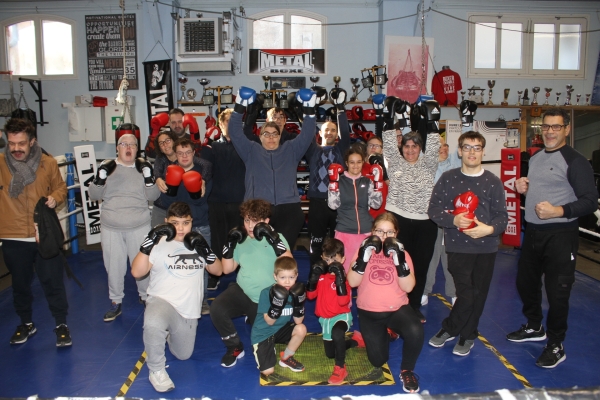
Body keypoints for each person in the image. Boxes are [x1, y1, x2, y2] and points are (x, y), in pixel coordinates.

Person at [506, 108, 597, 368]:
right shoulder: (535, 157)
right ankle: (535, 326)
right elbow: (543, 190)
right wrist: (523, 189)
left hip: (560, 235)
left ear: (566, 129)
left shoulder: (575, 160)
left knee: (557, 293)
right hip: (533, 233)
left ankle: (556, 344)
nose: (549, 131)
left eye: (556, 127)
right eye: (546, 126)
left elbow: (590, 201)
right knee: (526, 284)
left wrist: (559, 211)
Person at [427, 131, 508, 357]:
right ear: (460, 151)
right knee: (467, 293)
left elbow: (502, 216)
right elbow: (433, 210)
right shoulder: (448, 178)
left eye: (477, 147)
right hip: (457, 247)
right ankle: (452, 328)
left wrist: (489, 229)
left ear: (482, 151)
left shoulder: (493, 181)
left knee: (479, 294)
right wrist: (452, 220)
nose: (472, 152)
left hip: (486, 248)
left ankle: (466, 334)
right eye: (467, 147)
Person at [131, 201, 223, 392]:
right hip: (161, 301)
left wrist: (205, 250)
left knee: (183, 355)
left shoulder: (196, 242)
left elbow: (218, 270)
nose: (180, 228)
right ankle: (156, 370)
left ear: (191, 222)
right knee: (153, 322)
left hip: (188, 311)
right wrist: (149, 241)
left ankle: (165, 333)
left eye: (185, 222)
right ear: (166, 222)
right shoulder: (158, 242)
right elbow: (137, 273)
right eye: (175, 223)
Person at [1, 118, 71, 347]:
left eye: (21, 143)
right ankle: (26, 323)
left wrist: (55, 197)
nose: (16, 149)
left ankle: (61, 324)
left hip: (43, 234)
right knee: (20, 284)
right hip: (13, 235)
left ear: (32, 141)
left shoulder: (47, 163)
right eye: (11, 143)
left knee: (53, 282)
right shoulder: (1, 163)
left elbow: (60, 187)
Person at [229, 87, 316, 248]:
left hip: (288, 209)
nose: (271, 137)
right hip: (258, 208)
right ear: (259, 137)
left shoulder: (291, 149)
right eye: (266, 134)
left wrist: (310, 108)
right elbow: (234, 132)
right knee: (258, 251)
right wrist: (239, 106)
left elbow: (307, 133)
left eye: (274, 134)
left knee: (281, 251)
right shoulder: (251, 151)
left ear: (280, 136)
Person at [210, 199, 293, 367]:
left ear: (266, 222)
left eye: (255, 221)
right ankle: (235, 347)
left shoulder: (277, 238)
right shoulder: (241, 240)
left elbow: (288, 265)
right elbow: (227, 269)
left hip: (266, 299)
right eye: (247, 220)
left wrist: (273, 239)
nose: (249, 225)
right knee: (217, 309)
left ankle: (255, 319)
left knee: (279, 336)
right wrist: (229, 244)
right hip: (243, 292)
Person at [346, 212, 424, 393]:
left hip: (396, 309)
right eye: (379, 231)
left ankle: (407, 370)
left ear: (396, 234)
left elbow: (409, 287)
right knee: (377, 361)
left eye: (389, 232)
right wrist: (363, 259)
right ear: (372, 232)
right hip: (370, 312)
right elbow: (352, 282)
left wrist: (399, 261)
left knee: (415, 329)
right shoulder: (362, 250)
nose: (384, 236)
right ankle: (388, 333)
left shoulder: (403, 253)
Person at [89, 133, 160, 321]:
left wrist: (148, 177)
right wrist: (100, 177)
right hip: (111, 226)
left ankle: (146, 296)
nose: (128, 148)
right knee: (114, 265)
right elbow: (93, 194)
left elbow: (153, 196)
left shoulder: (143, 168)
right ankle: (115, 301)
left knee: (143, 263)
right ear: (117, 148)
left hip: (139, 225)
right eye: (124, 144)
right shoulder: (108, 167)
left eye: (132, 145)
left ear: (137, 149)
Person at [382, 100, 441, 323]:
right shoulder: (395, 163)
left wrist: (433, 121)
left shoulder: (428, 164)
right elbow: (388, 143)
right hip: (399, 220)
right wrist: (388, 116)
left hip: (426, 223)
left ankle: (414, 306)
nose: (410, 150)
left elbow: (434, 145)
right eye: (406, 146)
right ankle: (394, 303)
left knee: (421, 265)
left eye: (414, 146)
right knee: (396, 263)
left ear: (419, 149)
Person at [159, 137, 213, 314]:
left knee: (202, 263)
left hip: (199, 225)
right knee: (176, 263)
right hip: (176, 228)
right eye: (180, 153)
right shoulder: (170, 172)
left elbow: (202, 200)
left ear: (193, 153)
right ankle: (177, 297)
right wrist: (171, 186)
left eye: (187, 152)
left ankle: (202, 299)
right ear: (175, 154)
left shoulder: (203, 174)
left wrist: (193, 187)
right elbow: (167, 200)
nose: (184, 156)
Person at [306, 238, 365, 384]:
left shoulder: (345, 278)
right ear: (322, 258)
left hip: (341, 316)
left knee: (337, 333)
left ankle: (341, 368)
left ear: (343, 259)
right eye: (327, 259)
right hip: (325, 319)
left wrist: (339, 279)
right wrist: (313, 279)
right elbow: (310, 296)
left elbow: (343, 302)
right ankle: (354, 342)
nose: (331, 263)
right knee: (330, 353)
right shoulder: (320, 275)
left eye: (335, 259)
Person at [304, 88, 351, 265]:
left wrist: (340, 107)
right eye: (326, 130)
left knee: (337, 242)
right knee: (316, 242)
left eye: (333, 130)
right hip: (317, 203)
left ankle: (336, 272)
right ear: (320, 133)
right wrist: (312, 108)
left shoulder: (341, 150)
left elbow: (345, 132)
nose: (330, 132)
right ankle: (315, 274)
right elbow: (307, 134)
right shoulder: (313, 151)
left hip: (338, 202)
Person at [201, 108, 246, 291]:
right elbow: (204, 164)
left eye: (233, 122)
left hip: (239, 200)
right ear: (220, 125)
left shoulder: (245, 146)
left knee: (240, 239)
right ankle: (214, 274)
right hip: (217, 200)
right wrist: (206, 141)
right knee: (217, 240)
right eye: (226, 122)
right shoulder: (213, 147)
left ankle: (243, 274)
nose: (230, 125)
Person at [328, 144, 383, 272]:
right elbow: (333, 205)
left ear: (363, 162)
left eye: (358, 162)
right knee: (344, 270)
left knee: (365, 270)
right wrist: (333, 184)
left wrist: (377, 183)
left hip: (365, 231)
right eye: (352, 162)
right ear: (346, 163)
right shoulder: (339, 180)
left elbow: (376, 204)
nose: (355, 165)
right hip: (344, 231)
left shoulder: (367, 181)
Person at [251, 257, 307, 377]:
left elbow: (298, 321)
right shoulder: (266, 293)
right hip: (263, 333)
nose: (287, 282)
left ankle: (286, 358)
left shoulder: (295, 293)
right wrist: (276, 306)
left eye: (291, 277)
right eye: (283, 277)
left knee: (301, 328)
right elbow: (269, 322)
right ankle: (266, 348)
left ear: (296, 276)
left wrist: (299, 305)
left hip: (280, 329)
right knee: (268, 372)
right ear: (275, 276)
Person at [422, 135, 462, 306]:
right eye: (438, 146)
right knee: (430, 255)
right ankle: (424, 291)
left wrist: (468, 119)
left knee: (449, 255)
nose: (443, 148)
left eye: (445, 145)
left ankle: (453, 293)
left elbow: (464, 141)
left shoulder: (454, 164)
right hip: (431, 217)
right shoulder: (427, 166)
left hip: (452, 218)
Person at [150, 129, 178, 227]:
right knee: (157, 239)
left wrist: (203, 181)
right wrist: (158, 178)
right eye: (161, 143)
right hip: (160, 207)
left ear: (174, 141)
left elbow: (205, 164)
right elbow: (156, 170)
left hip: (179, 209)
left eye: (168, 140)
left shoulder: (184, 157)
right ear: (160, 148)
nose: (165, 144)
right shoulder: (160, 158)